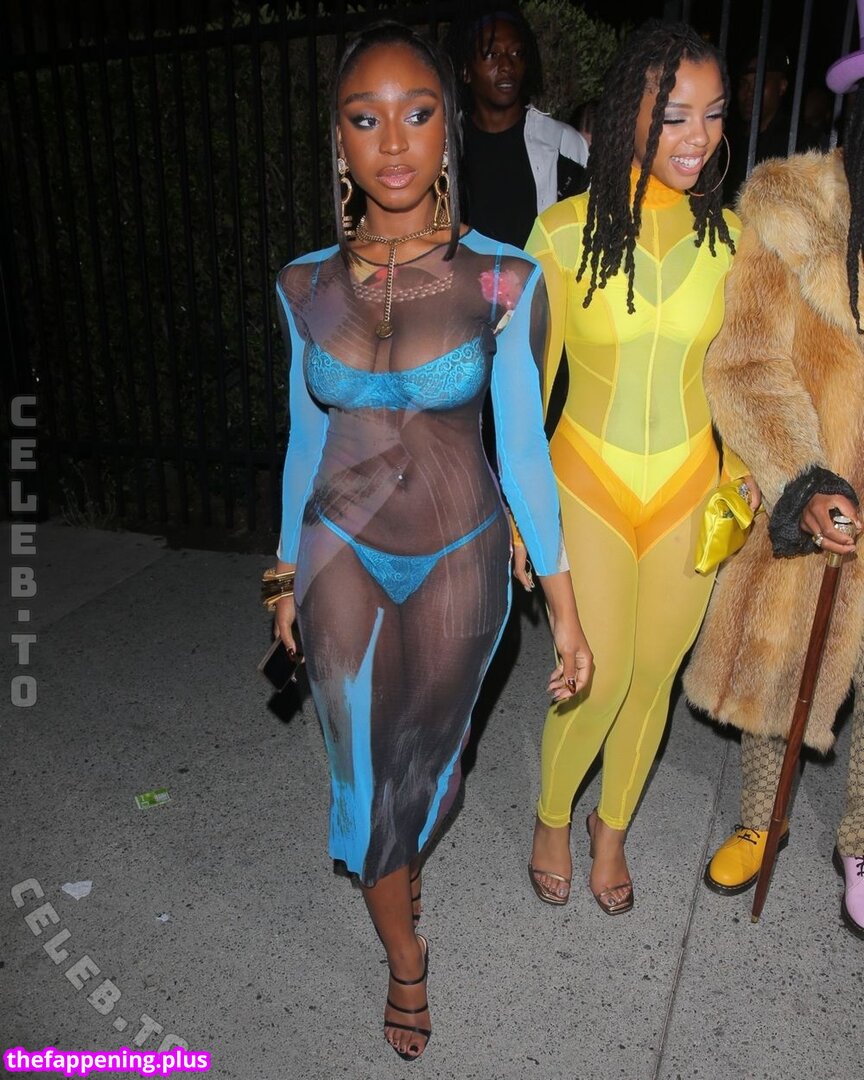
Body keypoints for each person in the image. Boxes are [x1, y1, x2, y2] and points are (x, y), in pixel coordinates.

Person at [268, 22, 591, 1060]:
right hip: (338, 551)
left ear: (448, 127)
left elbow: (525, 452)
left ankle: (402, 844)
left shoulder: (504, 278)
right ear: (339, 140)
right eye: (364, 120)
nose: (393, 142)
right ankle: (404, 954)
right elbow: (302, 438)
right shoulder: (304, 285)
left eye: (416, 114)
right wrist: (283, 575)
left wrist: (566, 610)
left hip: (462, 553)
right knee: (363, 774)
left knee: (433, 767)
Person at [522, 20, 748, 915]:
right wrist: (520, 520)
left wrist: (745, 476)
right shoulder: (560, 233)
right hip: (588, 481)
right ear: (629, 114)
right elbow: (525, 396)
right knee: (600, 672)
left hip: (692, 488)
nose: (699, 137)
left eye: (714, 114)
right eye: (675, 115)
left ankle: (610, 828)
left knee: (655, 677)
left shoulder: (734, 241)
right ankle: (551, 816)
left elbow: (744, 380)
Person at [683, 4, 864, 940]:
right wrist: (806, 478)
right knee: (781, 657)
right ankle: (762, 820)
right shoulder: (787, 210)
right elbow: (746, 361)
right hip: (817, 488)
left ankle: (861, 838)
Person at [445, 1, 589, 247]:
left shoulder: (562, 144)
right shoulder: (445, 147)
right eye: (492, 55)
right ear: (466, 71)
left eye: (516, 54)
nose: (507, 66)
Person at [724, 45, 822, 200]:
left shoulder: (799, 142)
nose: (749, 92)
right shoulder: (727, 140)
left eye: (759, 82)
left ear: (781, 86)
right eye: (744, 84)